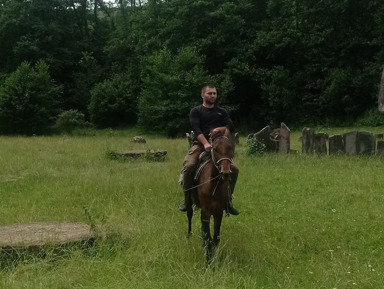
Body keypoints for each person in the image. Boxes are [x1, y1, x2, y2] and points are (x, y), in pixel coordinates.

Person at [178, 85, 239, 215]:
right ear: (203, 95)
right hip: (200, 144)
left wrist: (221, 130)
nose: (213, 96)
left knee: (234, 169)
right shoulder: (196, 111)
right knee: (190, 165)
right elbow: (196, 128)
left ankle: (228, 200)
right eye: (210, 93)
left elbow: (230, 125)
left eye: (215, 93)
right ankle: (187, 199)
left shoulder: (221, 111)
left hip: (219, 147)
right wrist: (205, 143)